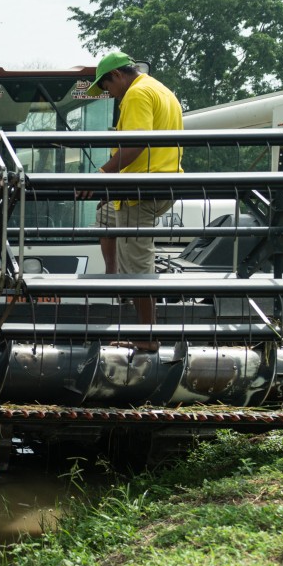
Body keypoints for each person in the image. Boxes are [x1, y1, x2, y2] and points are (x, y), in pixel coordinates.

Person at [87, 51, 183, 352]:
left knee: (139, 268)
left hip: (142, 190)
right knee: (104, 218)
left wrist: (100, 175)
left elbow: (136, 143)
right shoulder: (159, 88)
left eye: (106, 88)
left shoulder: (136, 94)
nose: (109, 95)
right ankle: (115, 280)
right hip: (153, 182)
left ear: (116, 76)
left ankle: (147, 338)